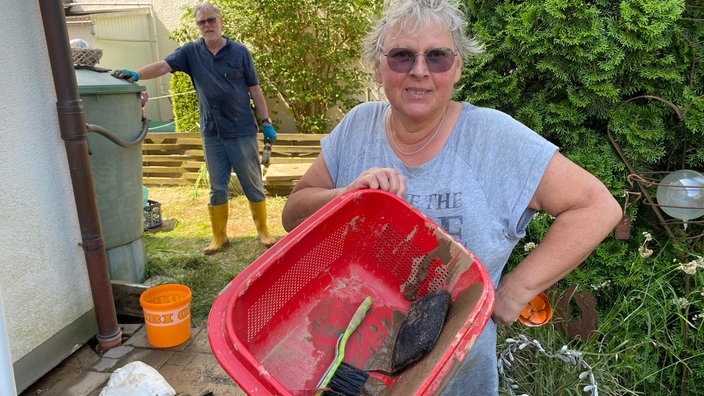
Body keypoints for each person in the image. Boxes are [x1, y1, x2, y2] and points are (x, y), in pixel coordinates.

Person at [281, 0, 622, 393]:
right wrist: (344, 198)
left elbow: (597, 206)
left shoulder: (493, 138)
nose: (420, 71)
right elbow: (294, 211)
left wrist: (517, 289)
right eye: (401, 56)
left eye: (438, 57)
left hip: (457, 382)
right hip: (349, 366)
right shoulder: (357, 126)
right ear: (378, 66)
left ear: (457, 66)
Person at [112, 1, 277, 253]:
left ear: (220, 21)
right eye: (202, 22)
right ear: (198, 26)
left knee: (252, 182)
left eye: (211, 20)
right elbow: (164, 66)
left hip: (242, 130)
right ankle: (219, 237)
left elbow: (254, 87)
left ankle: (263, 231)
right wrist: (136, 74)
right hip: (212, 134)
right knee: (217, 187)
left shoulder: (240, 52)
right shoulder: (190, 52)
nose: (207, 25)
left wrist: (266, 122)